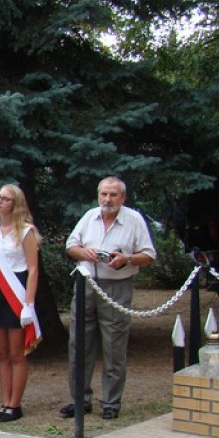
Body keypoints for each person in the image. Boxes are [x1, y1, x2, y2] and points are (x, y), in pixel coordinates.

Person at [62, 176, 156, 420]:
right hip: (86, 284)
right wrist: (84, 252)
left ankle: (111, 402)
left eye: (113, 195)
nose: (107, 199)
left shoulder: (134, 220)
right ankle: (80, 400)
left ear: (123, 197)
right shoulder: (89, 217)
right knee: (79, 343)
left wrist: (127, 259)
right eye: (104, 194)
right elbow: (71, 245)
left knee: (114, 346)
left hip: (116, 287)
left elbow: (149, 254)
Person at [0, 184, 41, 423]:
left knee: (17, 353)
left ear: (15, 204)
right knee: (2, 352)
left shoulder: (26, 231)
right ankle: (4, 402)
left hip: (18, 291)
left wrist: (29, 304)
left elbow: (34, 270)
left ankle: (16, 404)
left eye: (5, 198)